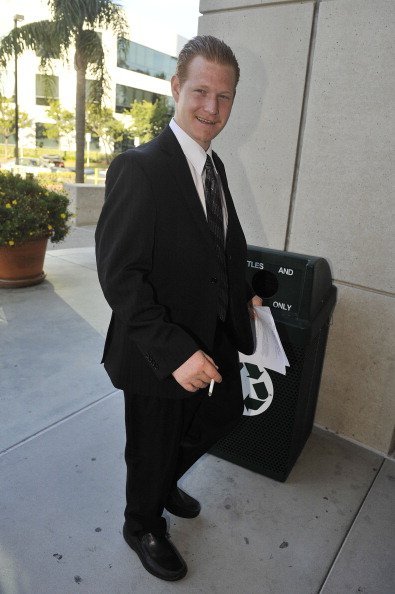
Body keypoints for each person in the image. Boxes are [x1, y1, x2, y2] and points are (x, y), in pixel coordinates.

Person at [95, 35, 262, 582]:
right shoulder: (139, 169)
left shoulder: (213, 168)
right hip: (157, 348)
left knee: (223, 413)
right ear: (175, 88)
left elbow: (221, 248)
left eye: (226, 96)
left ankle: (162, 481)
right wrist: (174, 353)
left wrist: (247, 292)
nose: (212, 108)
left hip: (211, 330)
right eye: (201, 91)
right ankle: (141, 522)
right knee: (152, 441)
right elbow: (121, 277)